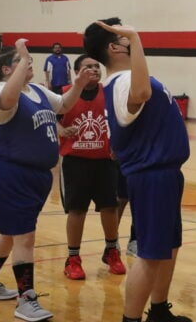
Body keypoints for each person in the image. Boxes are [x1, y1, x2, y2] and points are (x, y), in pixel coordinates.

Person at [0, 38, 93, 322]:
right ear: (6, 69)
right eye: (22, 62)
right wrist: (22, 57)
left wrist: (79, 85)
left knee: (11, 234)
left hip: (36, 176)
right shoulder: (0, 92)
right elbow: (8, 100)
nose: (30, 64)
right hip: (10, 173)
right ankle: (27, 300)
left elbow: (62, 105)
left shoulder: (35, 89)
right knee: (25, 236)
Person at [83, 18, 191, 322]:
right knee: (150, 254)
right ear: (115, 46)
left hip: (164, 173)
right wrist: (138, 38)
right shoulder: (123, 83)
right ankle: (131, 319)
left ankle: (158, 311)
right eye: (124, 33)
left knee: (167, 248)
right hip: (152, 175)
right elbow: (141, 94)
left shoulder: (125, 80)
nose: (130, 34)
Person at [57, 54, 126, 280]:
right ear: (77, 72)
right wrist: (60, 130)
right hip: (75, 161)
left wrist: (118, 143)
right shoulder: (65, 92)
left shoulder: (108, 92)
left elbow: (121, 121)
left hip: (105, 160)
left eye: (97, 66)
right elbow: (48, 116)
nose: (95, 70)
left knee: (109, 207)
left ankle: (112, 251)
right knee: (77, 209)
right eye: (88, 67)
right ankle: (73, 258)